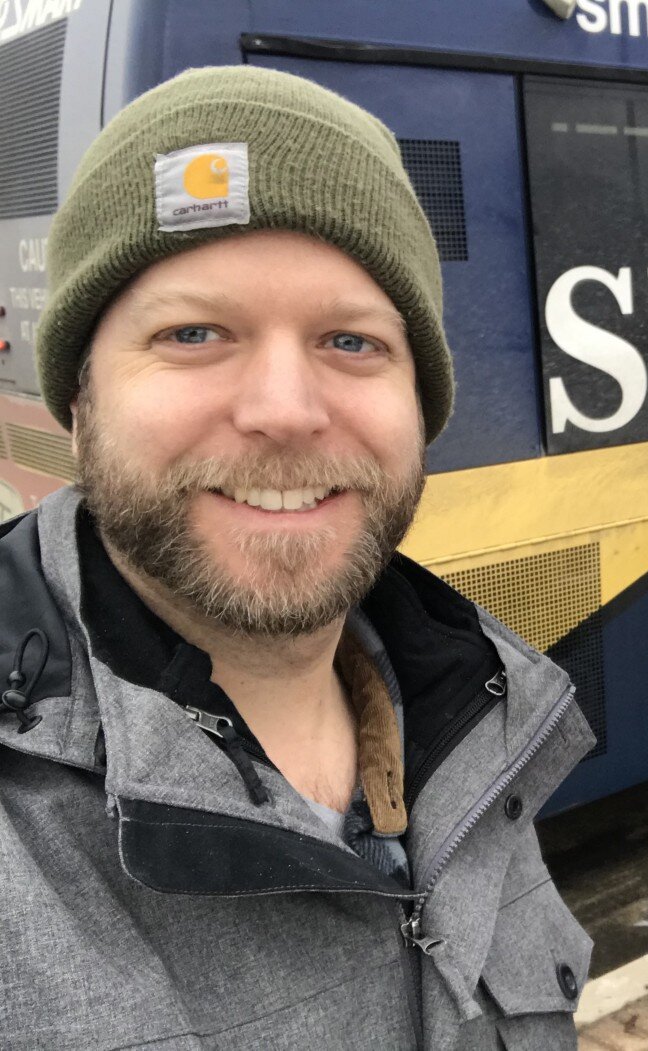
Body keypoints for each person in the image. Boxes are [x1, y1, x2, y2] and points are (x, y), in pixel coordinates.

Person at [0, 66, 593, 1049]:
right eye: (193, 333)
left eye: (351, 342)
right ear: (78, 400)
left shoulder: (476, 718)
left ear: (419, 406)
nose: (284, 408)